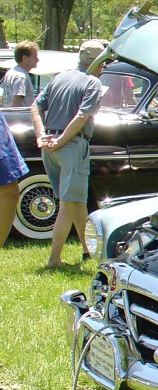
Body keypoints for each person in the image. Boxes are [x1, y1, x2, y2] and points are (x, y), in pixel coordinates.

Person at [29, 39, 107, 268]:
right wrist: (62, 140)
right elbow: (82, 116)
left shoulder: (59, 77)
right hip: (71, 146)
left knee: (76, 202)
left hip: (50, 145)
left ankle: (87, 251)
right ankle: (54, 259)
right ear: (97, 63)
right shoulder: (92, 83)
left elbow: (35, 106)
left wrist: (41, 135)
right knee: (68, 203)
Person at [0, 41, 38, 247]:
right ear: (24, 57)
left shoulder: (10, 73)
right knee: (8, 189)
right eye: (34, 56)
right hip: (19, 121)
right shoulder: (21, 76)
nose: (37, 60)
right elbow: (17, 103)